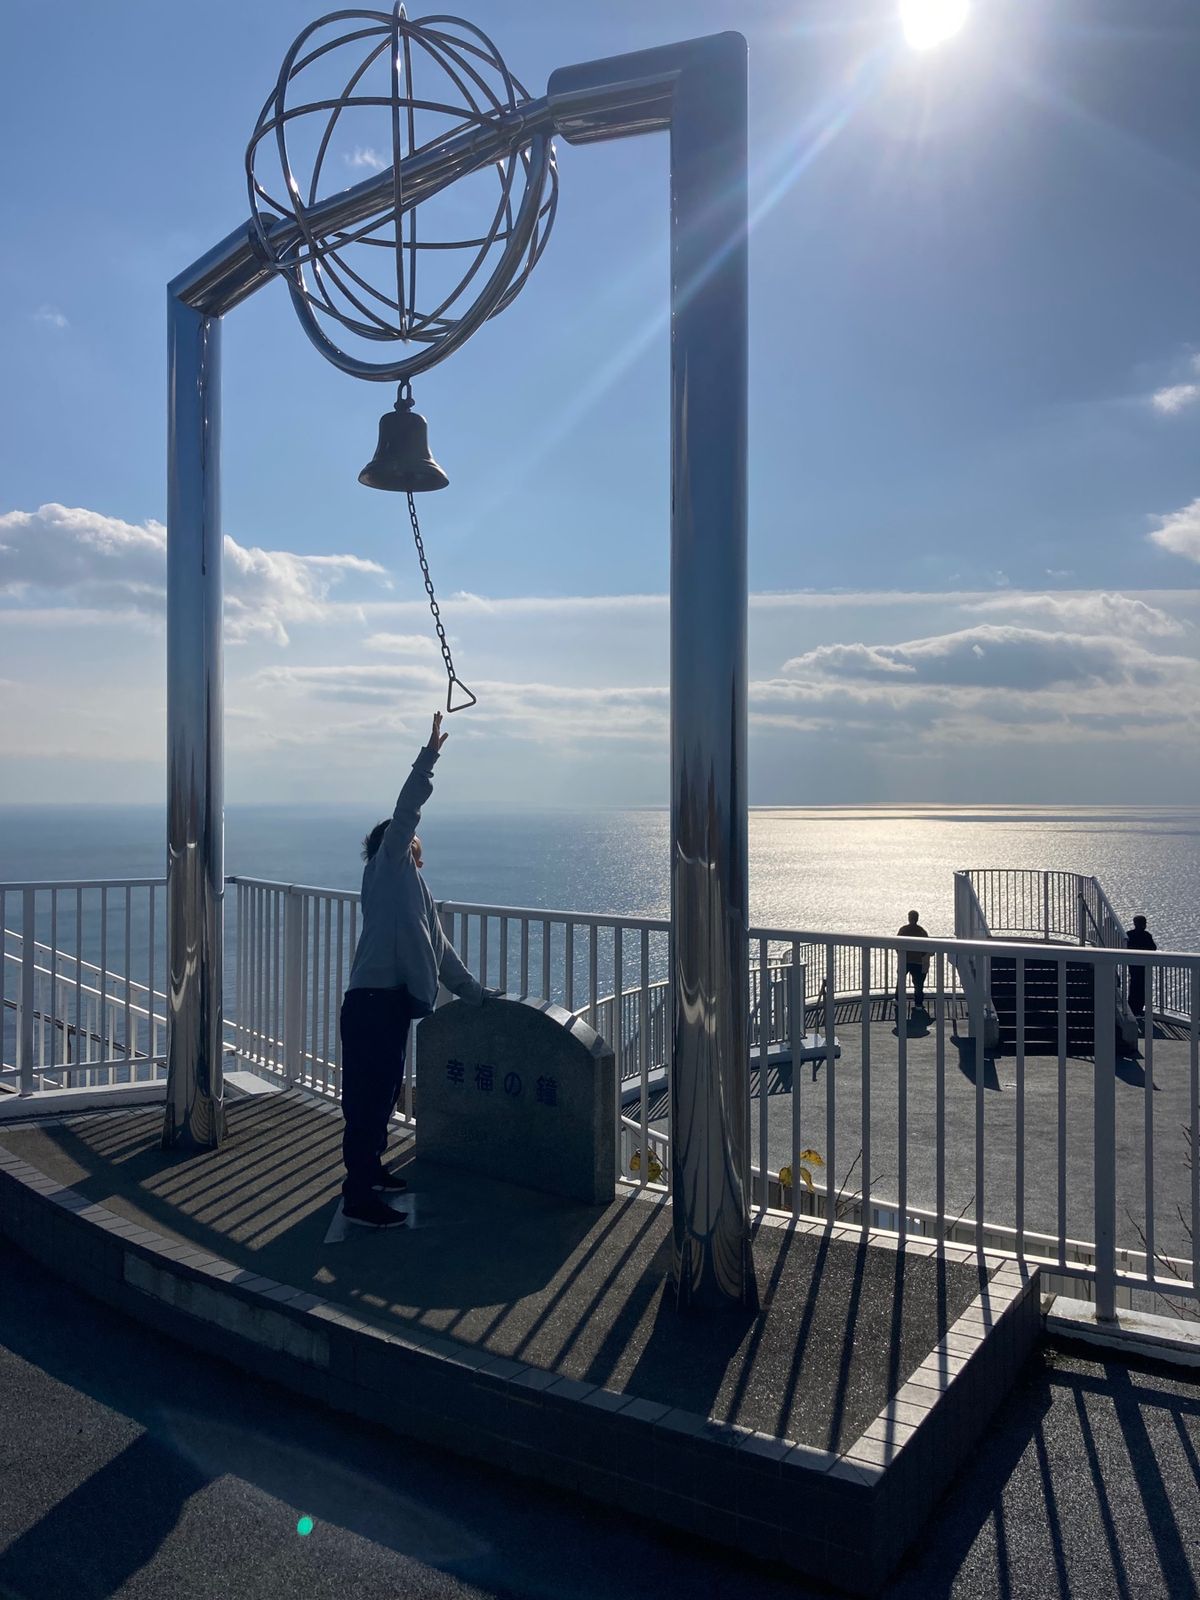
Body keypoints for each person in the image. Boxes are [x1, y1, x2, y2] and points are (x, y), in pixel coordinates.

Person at [339, 711, 487, 1229]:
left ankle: (371, 1172)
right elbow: (405, 814)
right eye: (410, 848)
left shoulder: (417, 897)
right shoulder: (386, 868)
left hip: (394, 1002)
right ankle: (357, 1196)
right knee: (366, 1097)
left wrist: (476, 996)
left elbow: (441, 954)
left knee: (381, 1095)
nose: (416, 854)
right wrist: (429, 757)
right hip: (372, 1002)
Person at [1125, 914, 1157, 1022]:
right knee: (1142, 988)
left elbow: (1125, 947)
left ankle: (1132, 1009)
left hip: (1133, 966)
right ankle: (1138, 1009)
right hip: (1144, 966)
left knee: (1134, 986)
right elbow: (1153, 948)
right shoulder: (1147, 935)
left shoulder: (1129, 935)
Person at [897, 909, 930, 1010]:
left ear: (909, 918)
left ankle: (898, 1000)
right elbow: (927, 947)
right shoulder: (922, 931)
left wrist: (901, 954)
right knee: (918, 983)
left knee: (900, 981)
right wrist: (920, 955)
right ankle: (918, 1004)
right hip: (917, 961)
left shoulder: (903, 930)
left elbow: (896, 944)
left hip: (905, 960)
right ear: (917, 919)